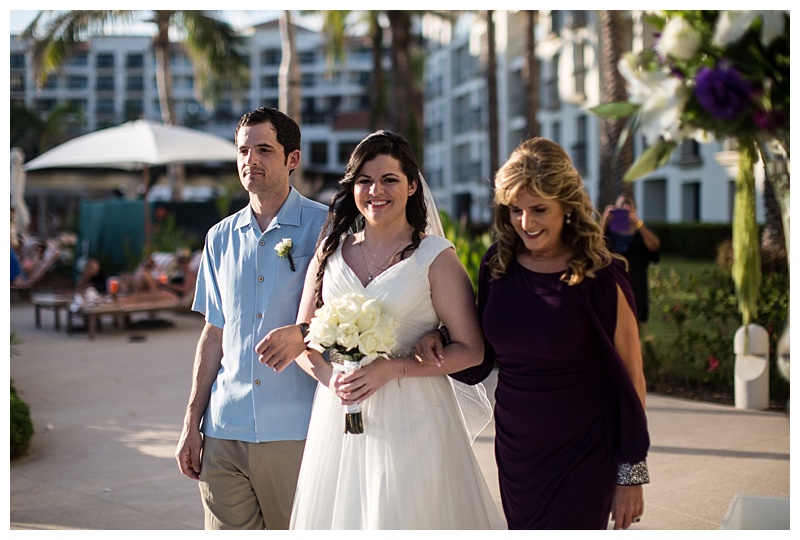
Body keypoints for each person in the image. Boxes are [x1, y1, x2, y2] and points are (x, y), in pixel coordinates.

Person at [259, 130, 504, 529]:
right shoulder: (329, 254)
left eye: (389, 179)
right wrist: (332, 378)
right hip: (338, 419)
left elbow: (472, 351)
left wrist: (395, 368)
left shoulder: (435, 258)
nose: (376, 190)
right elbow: (307, 339)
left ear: (411, 186)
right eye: (364, 181)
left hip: (417, 419)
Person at [417, 137, 650, 530]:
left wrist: (631, 474)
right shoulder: (498, 265)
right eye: (515, 210)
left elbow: (632, 380)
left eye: (539, 209)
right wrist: (437, 338)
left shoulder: (602, 277)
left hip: (584, 451)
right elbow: (482, 356)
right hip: (517, 451)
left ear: (568, 207)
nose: (525, 223)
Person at [174, 107, 328, 530]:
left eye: (263, 149)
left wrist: (302, 333)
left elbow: (345, 317)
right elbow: (213, 332)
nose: (250, 161)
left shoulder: (325, 226)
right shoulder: (219, 236)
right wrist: (192, 422)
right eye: (243, 150)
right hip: (224, 429)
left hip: (296, 430)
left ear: (292, 159)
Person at [601, 193, 661, 323]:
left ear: (635, 209)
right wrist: (604, 223)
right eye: (621, 205)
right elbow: (594, 249)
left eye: (628, 204)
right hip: (611, 289)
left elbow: (655, 247)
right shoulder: (608, 232)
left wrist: (638, 224)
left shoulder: (641, 231)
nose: (624, 207)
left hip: (636, 289)